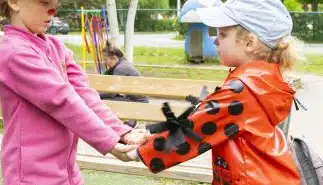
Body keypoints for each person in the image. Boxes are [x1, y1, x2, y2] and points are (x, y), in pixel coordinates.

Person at [128, 0, 303, 184]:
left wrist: (139, 152)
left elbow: (195, 129)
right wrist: (151, 137)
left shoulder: (244, 90)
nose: (215, 39)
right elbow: (204, 116)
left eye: (223, 34)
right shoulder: (260, 82)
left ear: (249, 43)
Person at [0, 0, 147, 184]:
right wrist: (109, 142)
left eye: (55, 3)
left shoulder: (55, 47)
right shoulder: (15, 53)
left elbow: (84, 94)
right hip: (32, 177)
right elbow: (62, 101)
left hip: (66, 174)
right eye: (44, 2)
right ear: (15, 3)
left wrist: (121, 132)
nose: (52, 11)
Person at [100, 41, 149, 128]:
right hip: (137, 101)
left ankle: (132, 121)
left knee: (103, 101)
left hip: (138, 104)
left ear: (114, 58)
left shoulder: (120, 68)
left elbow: (112, 92)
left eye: (105, 59)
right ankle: (131, 121)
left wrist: (97, 94)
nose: (104, 62)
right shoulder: (122, 63)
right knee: (106, 99)